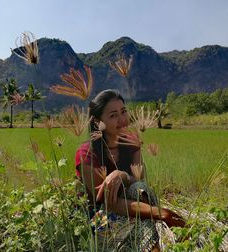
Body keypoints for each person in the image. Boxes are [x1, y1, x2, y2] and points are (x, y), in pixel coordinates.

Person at [75, 89, 185, 252]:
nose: (122, 120)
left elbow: (141, 183)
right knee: (142, 223)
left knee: (138, 188)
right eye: (113, 115)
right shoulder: (87, 154)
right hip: (100, 217)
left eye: (123, 112)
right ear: (99, 123)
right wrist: (160, 213)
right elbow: (108, 203)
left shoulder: (132, 144)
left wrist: (123, 176)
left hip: (134, 207)